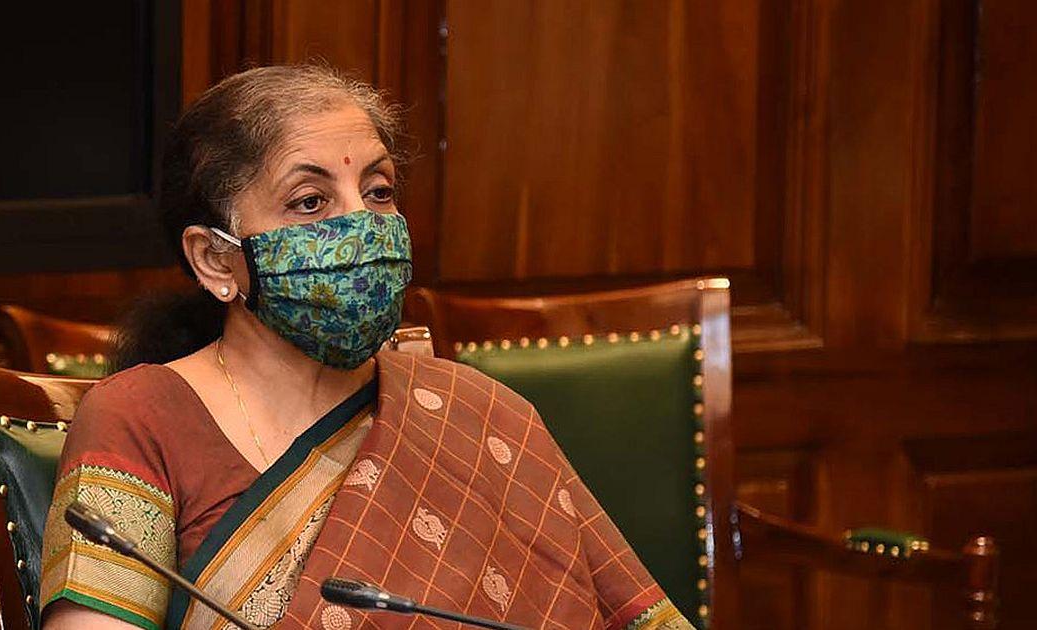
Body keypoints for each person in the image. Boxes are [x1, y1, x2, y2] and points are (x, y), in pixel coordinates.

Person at [39, 65, 692, 630]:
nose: (362, 224)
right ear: (215, 259)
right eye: (310, 202)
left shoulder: (478, 411)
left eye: (379, 192)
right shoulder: (142, 418)